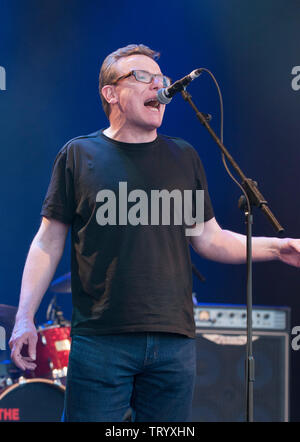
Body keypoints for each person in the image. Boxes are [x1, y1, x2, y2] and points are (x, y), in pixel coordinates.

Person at [9, 44, 300, 422]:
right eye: (141, 77)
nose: (158, 87)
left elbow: (209, 238)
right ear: (110, 93)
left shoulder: (184, 157)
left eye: (160, 79)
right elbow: (48, 240)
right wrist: (24, 318)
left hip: (173, 341)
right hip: (101, 339)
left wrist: (278, 248)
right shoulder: (79, 156)